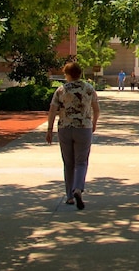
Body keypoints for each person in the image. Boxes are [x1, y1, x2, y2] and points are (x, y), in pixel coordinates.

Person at [47, 61, 100, 210]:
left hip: (65, 127)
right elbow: (96, 109)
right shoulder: (89, 89)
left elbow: (52, 110)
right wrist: (94, 123)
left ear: (68, 74)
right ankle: (78, 188)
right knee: (81, 162)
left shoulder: (61, 90)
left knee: (68, 163)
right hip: (84, 128)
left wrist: (49, 129)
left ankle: (69, 196)